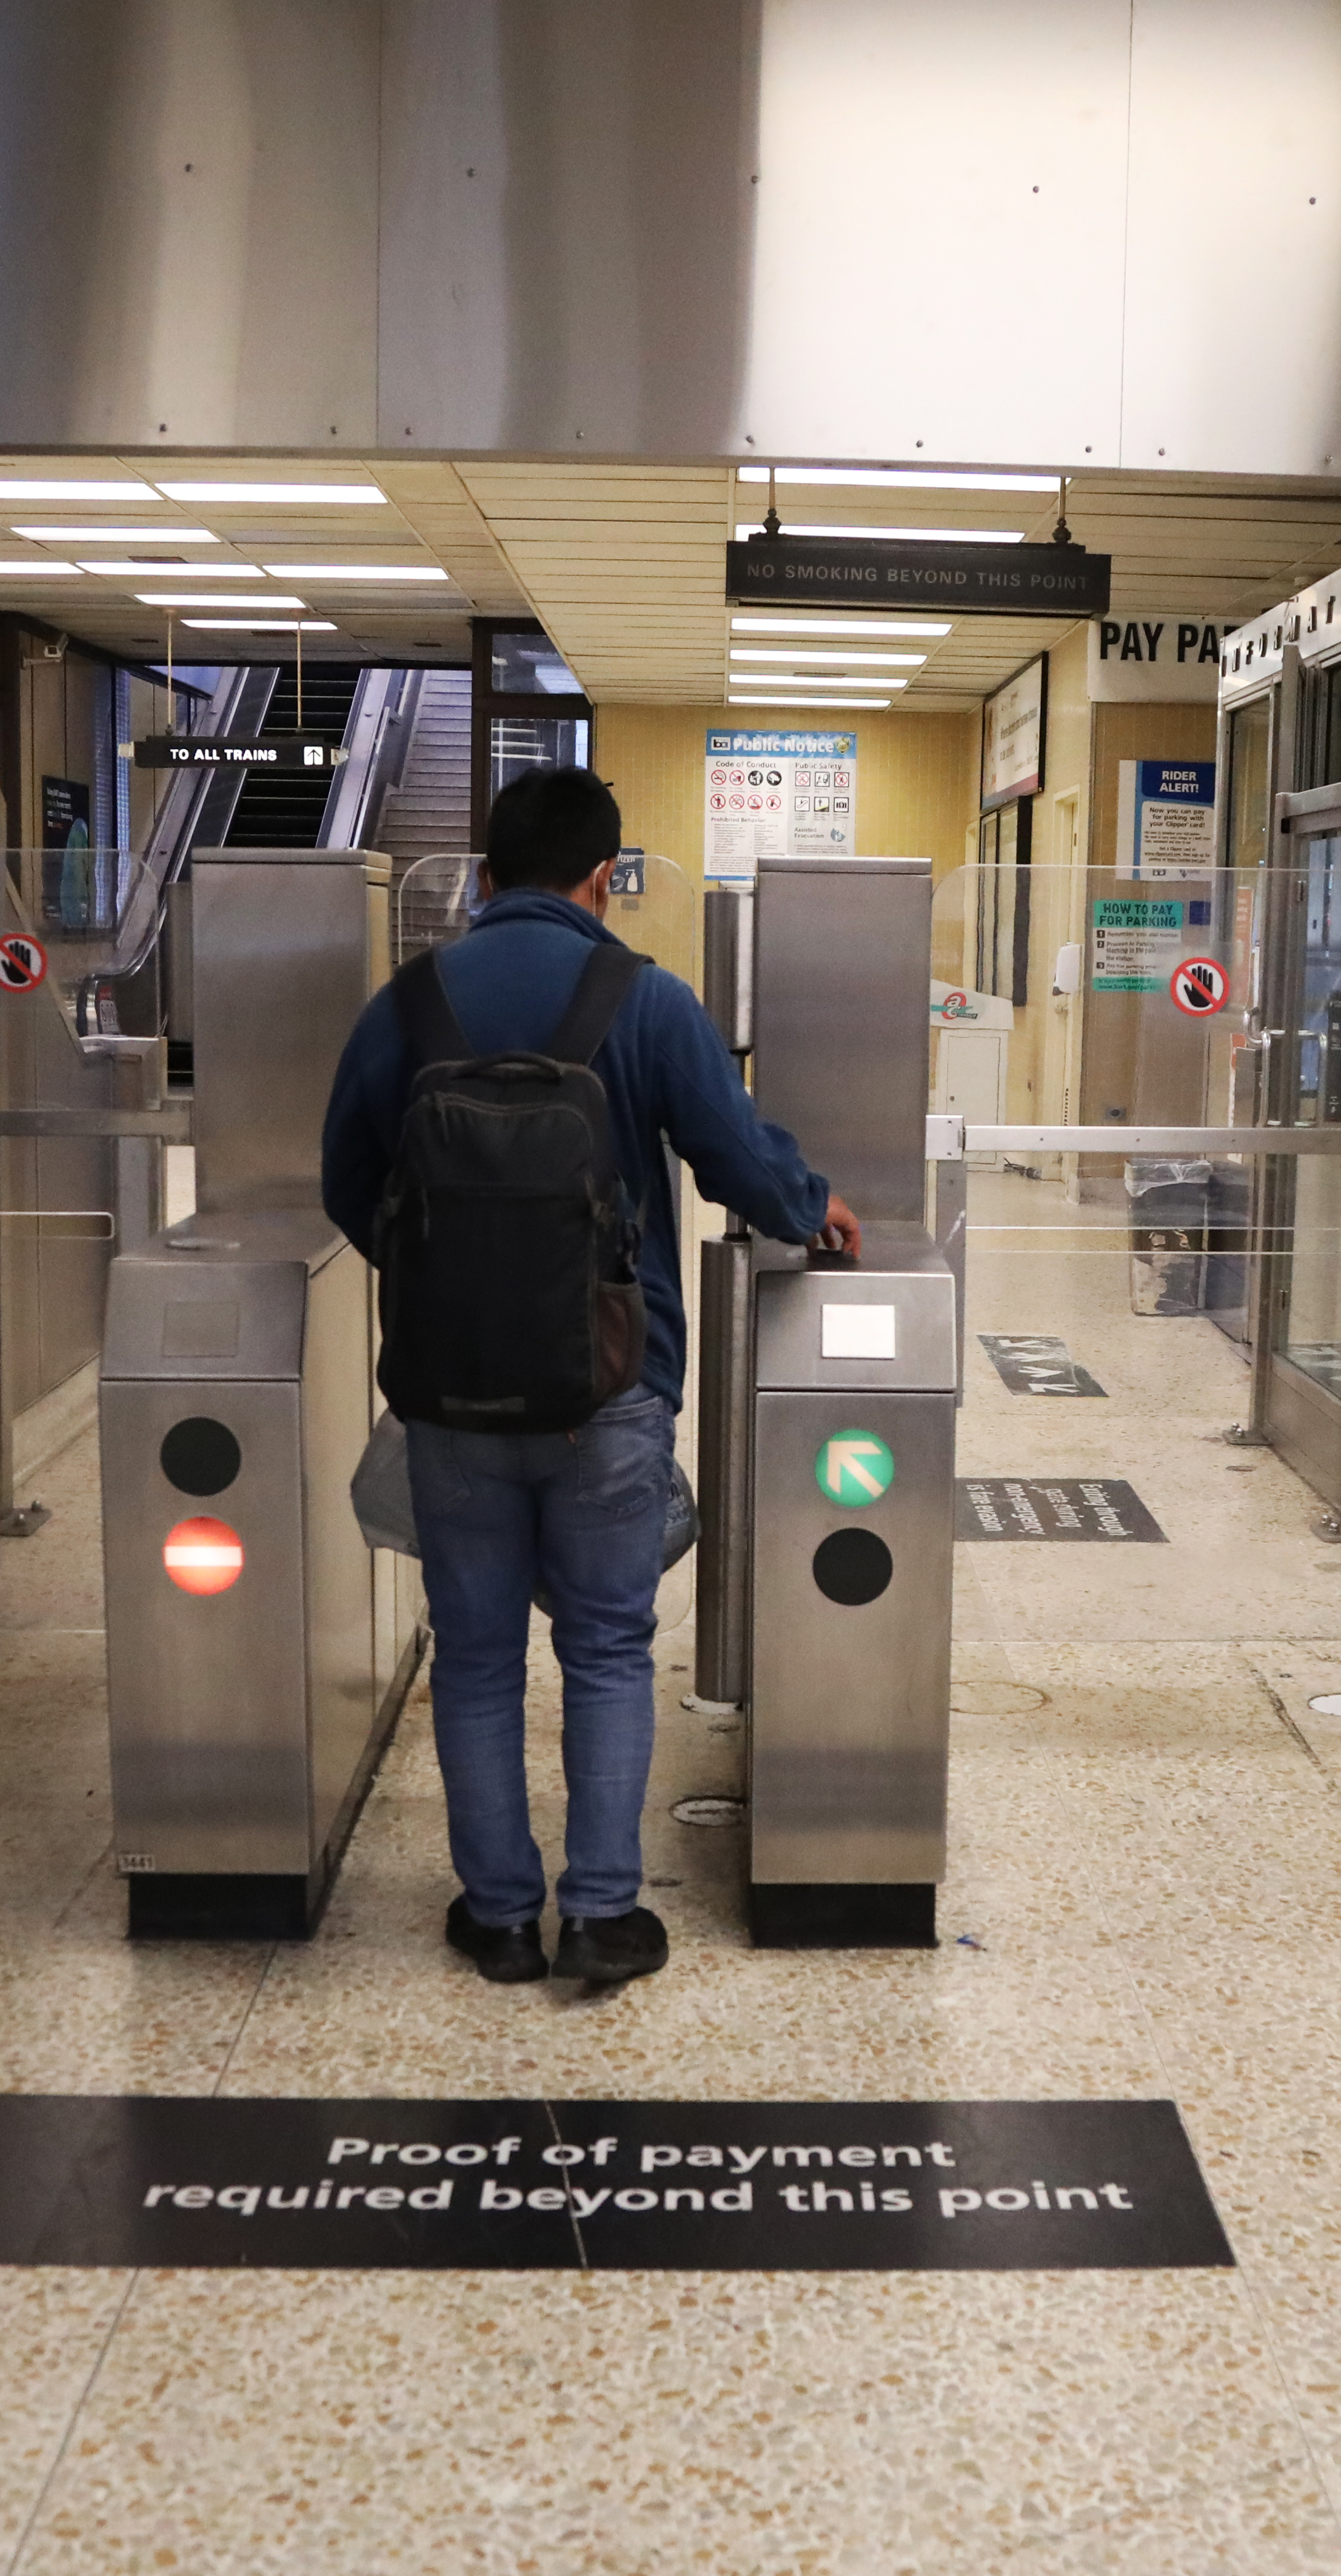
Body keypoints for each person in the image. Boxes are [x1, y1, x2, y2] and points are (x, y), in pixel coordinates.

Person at [322, 767, 859, 1990]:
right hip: (611, 1391)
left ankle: (502, 1912)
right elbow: (737, 1160)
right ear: (605, 877)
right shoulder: (646, 998)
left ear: (487, 877)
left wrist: (443, 1285)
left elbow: (347, 1181)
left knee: (472, 1654)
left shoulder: (404, 1003)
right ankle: (603, 1911)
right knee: (610, 1647)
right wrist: (813, 1207)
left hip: (448, 1394)